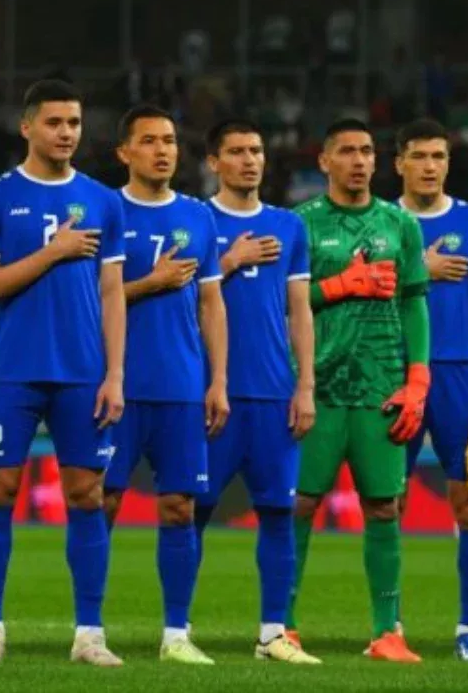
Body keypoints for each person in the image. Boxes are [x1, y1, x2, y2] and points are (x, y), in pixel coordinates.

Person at [0, 79, 127, 667]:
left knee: (87, 494)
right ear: (27, 126)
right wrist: (53, 251)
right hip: (13, 369)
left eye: (74, 123)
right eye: (55, 122)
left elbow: (112, 294)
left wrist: (115, 374)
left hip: (83, 371)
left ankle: (90, 633)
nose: (66, 133)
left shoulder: (103, 201)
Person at [287, 119, 429, 663]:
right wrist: (340, 285)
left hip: (380, 387)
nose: (359, 160)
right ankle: (282, 625)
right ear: (324, 161)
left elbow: (414, 303)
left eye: (367, 150)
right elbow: (285, 302)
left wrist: (418, 379)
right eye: (346, 151)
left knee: (384, 507)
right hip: (318, 386)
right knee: (300, 504)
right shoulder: (300, 224)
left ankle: (387, 632)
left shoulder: (400, 224)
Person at [104, 104, 228, 665]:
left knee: (180, 506)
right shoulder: (106, 210)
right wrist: (150, 283)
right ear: (124, 152)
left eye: (170, 140)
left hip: (181, 386)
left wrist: (217, 379)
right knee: (101, 503)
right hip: (118, 387)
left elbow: (211, 304)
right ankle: (89, 630)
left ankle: (176, 634)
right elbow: (90, 299)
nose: (163, 150)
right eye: (150, 140)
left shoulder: (199, 216)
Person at [194, 118, 320, 664]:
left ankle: (273, 634)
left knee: (277, 513)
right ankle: (177, 631)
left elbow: (300, 312)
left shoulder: (288, 226)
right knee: (192, 511)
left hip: (273, 393)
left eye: (257, 150)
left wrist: (305, 384)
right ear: (213, 162)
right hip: (209, 392)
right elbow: (177, 296)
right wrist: (228, 262)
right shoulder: (195, 220)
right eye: (237, 151)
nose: (250, 160)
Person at [395, 118, 468, 662]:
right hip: (394, 373)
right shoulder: (381, 221)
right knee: (387, 504)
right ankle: (388, 627)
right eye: (419, 156)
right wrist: (421, 267)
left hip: (461, 373)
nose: (430, 166)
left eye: (438, 156)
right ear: (400, 163)